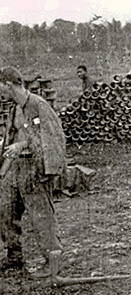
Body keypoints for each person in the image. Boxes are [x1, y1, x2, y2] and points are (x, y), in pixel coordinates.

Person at [0, 66, 66, 278]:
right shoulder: (14, 108)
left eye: (1, 87)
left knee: (41, 217)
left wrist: (23, 146)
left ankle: (52, 261)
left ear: (9, 85)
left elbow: (53, 138)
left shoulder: (38, 105)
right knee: (6, 210)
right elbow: (11, 137)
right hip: (15, 169)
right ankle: (14, 255)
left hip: (34, 169)